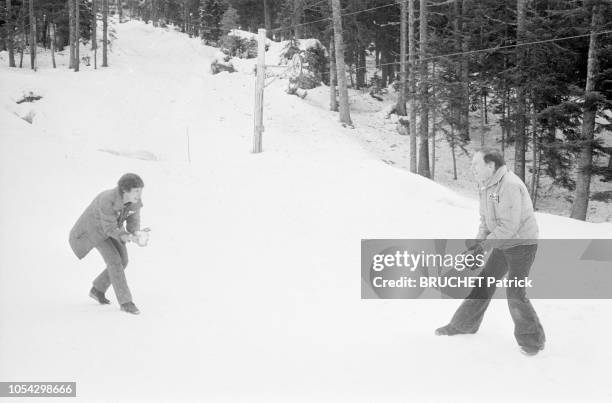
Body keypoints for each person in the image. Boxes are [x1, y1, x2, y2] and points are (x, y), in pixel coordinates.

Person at [435, 148, 546, 356]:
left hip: (522, 245)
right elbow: (485, 222)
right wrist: (477, 246)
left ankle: (532, 341)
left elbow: (508, 227)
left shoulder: (510, 186)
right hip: (503, 243)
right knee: (484, 284)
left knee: (515, 293)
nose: (472, 168)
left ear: (490, 165)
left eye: (476, 164)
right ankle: (463, 325)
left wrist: (484, 247)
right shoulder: (486, 187)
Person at [69, 173, 145, 315]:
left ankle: (98, 289)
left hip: (113, 229)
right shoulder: (107, 199)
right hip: (94, 230)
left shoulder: (135, 201)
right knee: (115, 261)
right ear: (125, 190)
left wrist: (136, 233)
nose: (139, 194)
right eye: (136, 191)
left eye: (140, 190)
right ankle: (126, 302)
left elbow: (133, 223)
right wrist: (127, 237)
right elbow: (109, 228)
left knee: (124, 260)